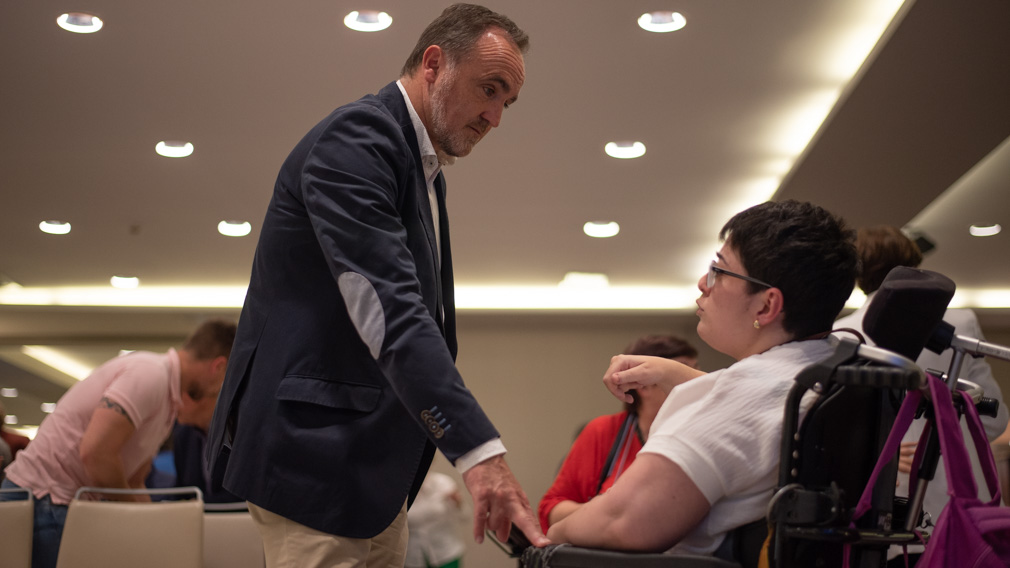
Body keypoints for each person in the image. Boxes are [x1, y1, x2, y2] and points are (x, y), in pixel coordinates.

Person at [205, 5, 548, 567]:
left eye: (506, 101)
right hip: (312, 455)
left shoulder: (421, 168)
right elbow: (388, 309)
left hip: (369, 472)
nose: (495, 116)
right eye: (489, 89)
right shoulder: (359, 137)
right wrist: (480, 454)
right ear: (434, 63)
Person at [546, 200, 858, 557]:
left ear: (766, 306)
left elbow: (622, 521)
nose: (702, 283)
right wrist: (688, 377)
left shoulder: (740, 396)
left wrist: (552, 536)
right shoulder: (836, 367)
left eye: (719, 271)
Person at [833, 225, 1009, 566]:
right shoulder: (960, 323)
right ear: (913, 264)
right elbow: (994, 418)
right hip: (959, 495)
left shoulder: (843, 333)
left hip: (888, 500)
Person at [0, 318, 236, 568]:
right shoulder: (151, 374)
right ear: (219, 367)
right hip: (44, 501)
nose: (221, 391)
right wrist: (136, 516)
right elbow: (95, 454)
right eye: (228, 379)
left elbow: (134, 480)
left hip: (56, 504)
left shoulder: (168, 398)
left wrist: (156, 527)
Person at [538, 334, 698, 532]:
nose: (697, 384)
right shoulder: (602, 431)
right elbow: (551, 509)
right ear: (643, 386)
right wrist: (606, 509)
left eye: (695, 371)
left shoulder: (700, 433)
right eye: (681, 372)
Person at [405, 472, 467, 568]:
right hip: (413, 557)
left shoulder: (443, 482)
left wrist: (458, 503)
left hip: (446, 553)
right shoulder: (401, 489)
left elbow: (465, 516)